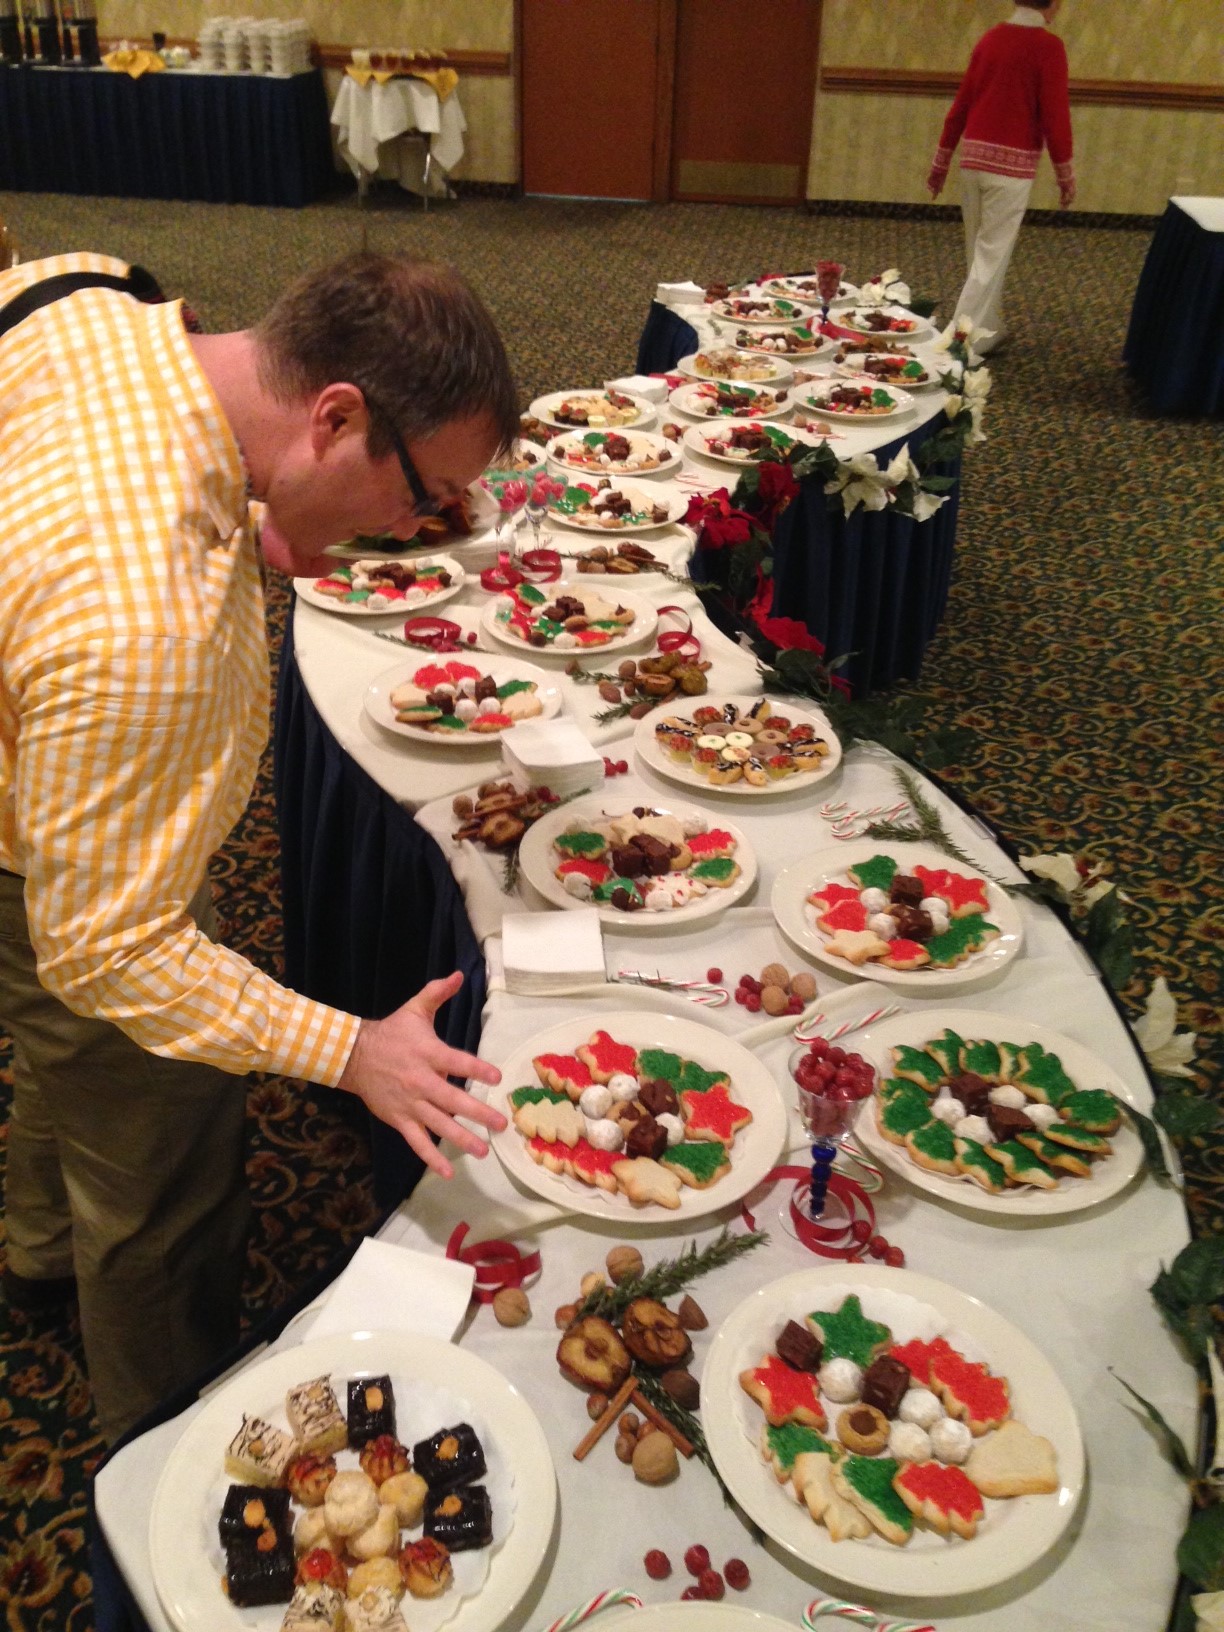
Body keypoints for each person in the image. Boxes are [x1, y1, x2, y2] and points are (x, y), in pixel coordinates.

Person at [0, 248, 515, 1442]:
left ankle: (34, 1253)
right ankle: (162, 1444)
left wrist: (267, 515)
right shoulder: (146, 626)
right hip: (57, 873)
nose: (413, 529)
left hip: (33, 788)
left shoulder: (91, 297)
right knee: (164, 1181)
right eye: (422, 495)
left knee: (67, 1063)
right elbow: (104, 951)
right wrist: (351, 1051)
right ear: (336, 417)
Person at [926, 0, 1075, 352]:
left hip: (973, 161)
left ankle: (987, 329)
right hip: (1011, 169)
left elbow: (961, 106)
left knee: (979, 254)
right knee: (991, 257)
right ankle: (957, 343)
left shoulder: (990, 39)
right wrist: (1065, 174)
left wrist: (940, 163)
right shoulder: (1049, 47)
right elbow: (1055, 116)